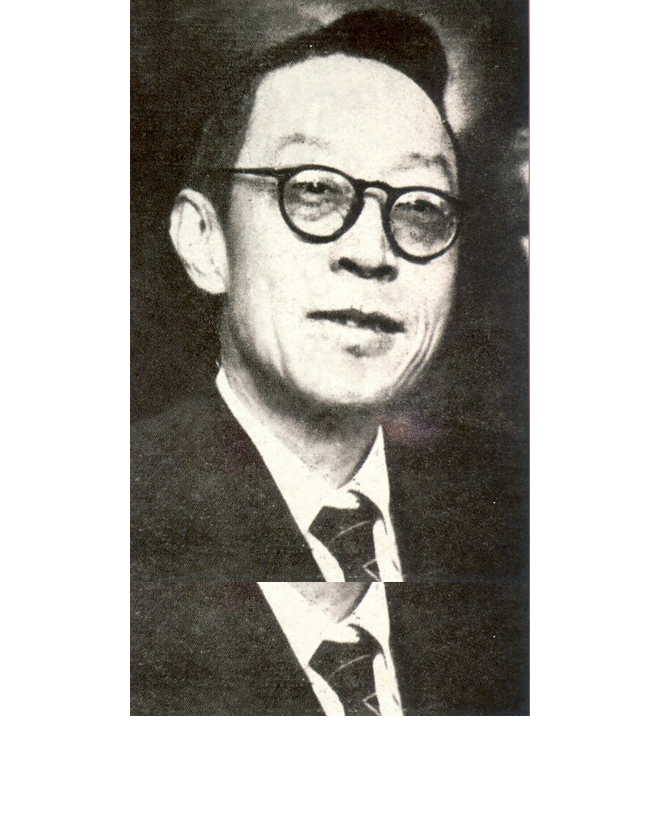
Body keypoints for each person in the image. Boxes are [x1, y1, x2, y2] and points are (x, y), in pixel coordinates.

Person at [131, 9, 529, 715]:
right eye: (313, 190)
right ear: (204, 240)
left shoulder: (519, 503)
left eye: (420, 206)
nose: (372, 252)